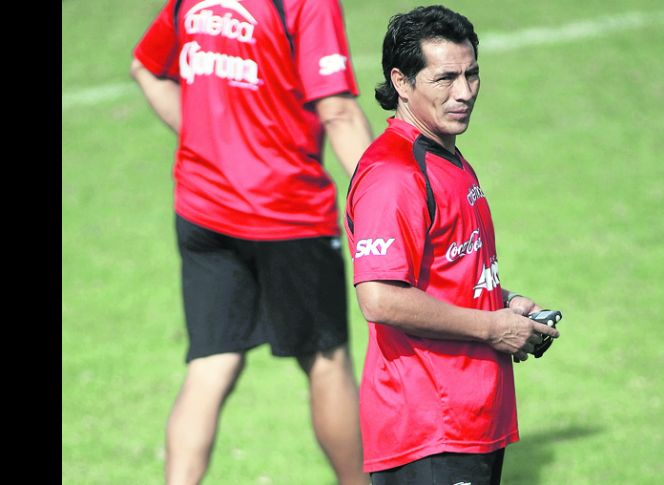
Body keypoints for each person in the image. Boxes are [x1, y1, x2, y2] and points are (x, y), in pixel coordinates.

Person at [130, 1, 373, 484]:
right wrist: (389, 198)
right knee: (327, 363)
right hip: (288, 214)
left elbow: (146, 67)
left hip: (203, 211)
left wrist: (208, 142)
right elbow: (339, 111)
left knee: (211, 364)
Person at [344, 5, 561, 485]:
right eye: (445, 78)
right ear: (401, 82)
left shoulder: (446, 156)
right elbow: (379, 298)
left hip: (470, 420)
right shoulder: (394, 175)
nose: (464, 92)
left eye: (472, 74)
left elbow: (439, 273)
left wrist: (506, 305)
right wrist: (491, 327)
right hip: (429, 427)